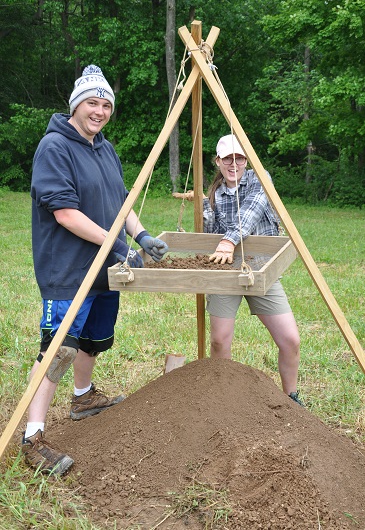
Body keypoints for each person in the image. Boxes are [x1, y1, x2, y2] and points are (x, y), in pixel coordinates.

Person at [21, 65, 168, 475]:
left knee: (93, 338)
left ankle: (83, 397)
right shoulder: (55, 147)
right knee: (59, 349)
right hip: (68, 269)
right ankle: (32, 437)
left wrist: (142, 236)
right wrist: (119, 245)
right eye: (92, 103)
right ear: (75, 105)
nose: (100, 111)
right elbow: (66, 214)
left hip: (105, 266)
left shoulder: (103, 147)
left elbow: (123, 201)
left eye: (106, 104)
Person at [178, 134, 302, 405]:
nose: (234, 164)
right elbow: (212, 238)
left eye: (239, 158)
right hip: (226, 272)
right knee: (220, 342)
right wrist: (203, 208)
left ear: (246, 160)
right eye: (227, 159)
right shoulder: (216, 193)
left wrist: (227, 240)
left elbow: (250, 213)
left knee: (290, 339)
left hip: (261, 270)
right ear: (218, 161)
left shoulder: (261, 179)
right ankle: (223, 401)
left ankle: (292, 398)